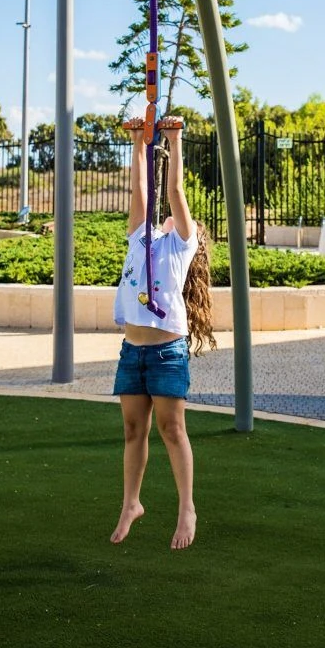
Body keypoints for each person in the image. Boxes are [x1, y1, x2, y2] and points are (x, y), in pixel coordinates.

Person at [111, 116, 215, 550]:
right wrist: (137, 142)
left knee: (172, 430)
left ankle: (186, 507)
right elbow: (139, 191)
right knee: (133, 431)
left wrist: (173, 142)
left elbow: (173, 192)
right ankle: (131, 504)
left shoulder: (180, 244)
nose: (170, 219)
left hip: (166, 352)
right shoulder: (141, 238)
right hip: (132, 350)